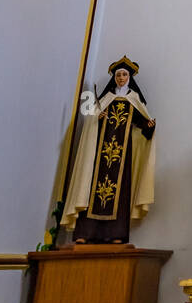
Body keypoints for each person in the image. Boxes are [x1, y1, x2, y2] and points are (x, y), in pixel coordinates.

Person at [62, 56, 156, 244]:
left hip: (123, 154)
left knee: (120, 192)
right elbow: (91, 123)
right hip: (100, 153)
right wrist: (98, 116)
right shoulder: (106, 98)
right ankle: (85, 233)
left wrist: (149, 125)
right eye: (118, 75)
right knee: (92, 187)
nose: (121, 78)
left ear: (129, 77)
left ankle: (116, 234)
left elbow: (143, 124)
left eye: (124, 74)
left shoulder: (134, 99)